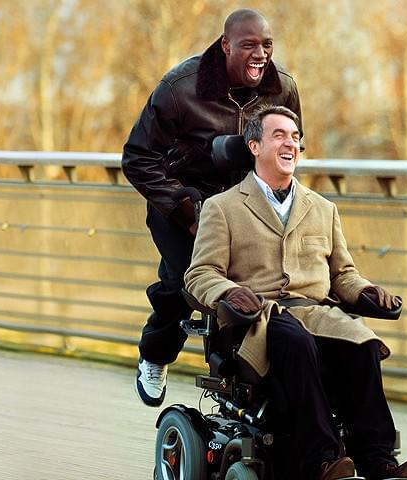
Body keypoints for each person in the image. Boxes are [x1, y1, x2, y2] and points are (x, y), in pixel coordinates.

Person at [184, 105, 407, 480]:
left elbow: (342, 274)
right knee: (297, 342)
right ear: (254, 146)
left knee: (362, 344)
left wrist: (366, 291)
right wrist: (228, 292)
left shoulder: (323, 209)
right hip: (259, 318)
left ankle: (378, 461)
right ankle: (322, 462)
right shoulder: (223, 207)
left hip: (316, 312)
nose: (290, 143)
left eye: (295, 137)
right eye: (279, 135)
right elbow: (200, 273)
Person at [121, 9, 303, 407]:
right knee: (185, 283)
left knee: (259, 287)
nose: (260, 54)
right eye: (249, 45)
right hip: (182, 200)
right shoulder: (180, 88)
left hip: (246, 202)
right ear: (226, 46)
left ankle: (243, 384)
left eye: (267, 45)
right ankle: (155, 354)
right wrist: (184, 208)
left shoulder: (282, 88)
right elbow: (138, 158)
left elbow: (289, 149)